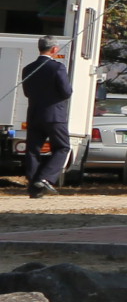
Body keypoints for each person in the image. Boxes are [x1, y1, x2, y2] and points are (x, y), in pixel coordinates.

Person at [16, 37, 71, 200]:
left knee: (33, 150)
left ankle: (34, 189)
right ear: (54, 49)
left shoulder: (28, 68)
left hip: (34, 114)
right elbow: (66, 92)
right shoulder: (58, 67)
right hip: (54, 115)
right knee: (62, 147)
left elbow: (27, 92)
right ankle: (45, 178)